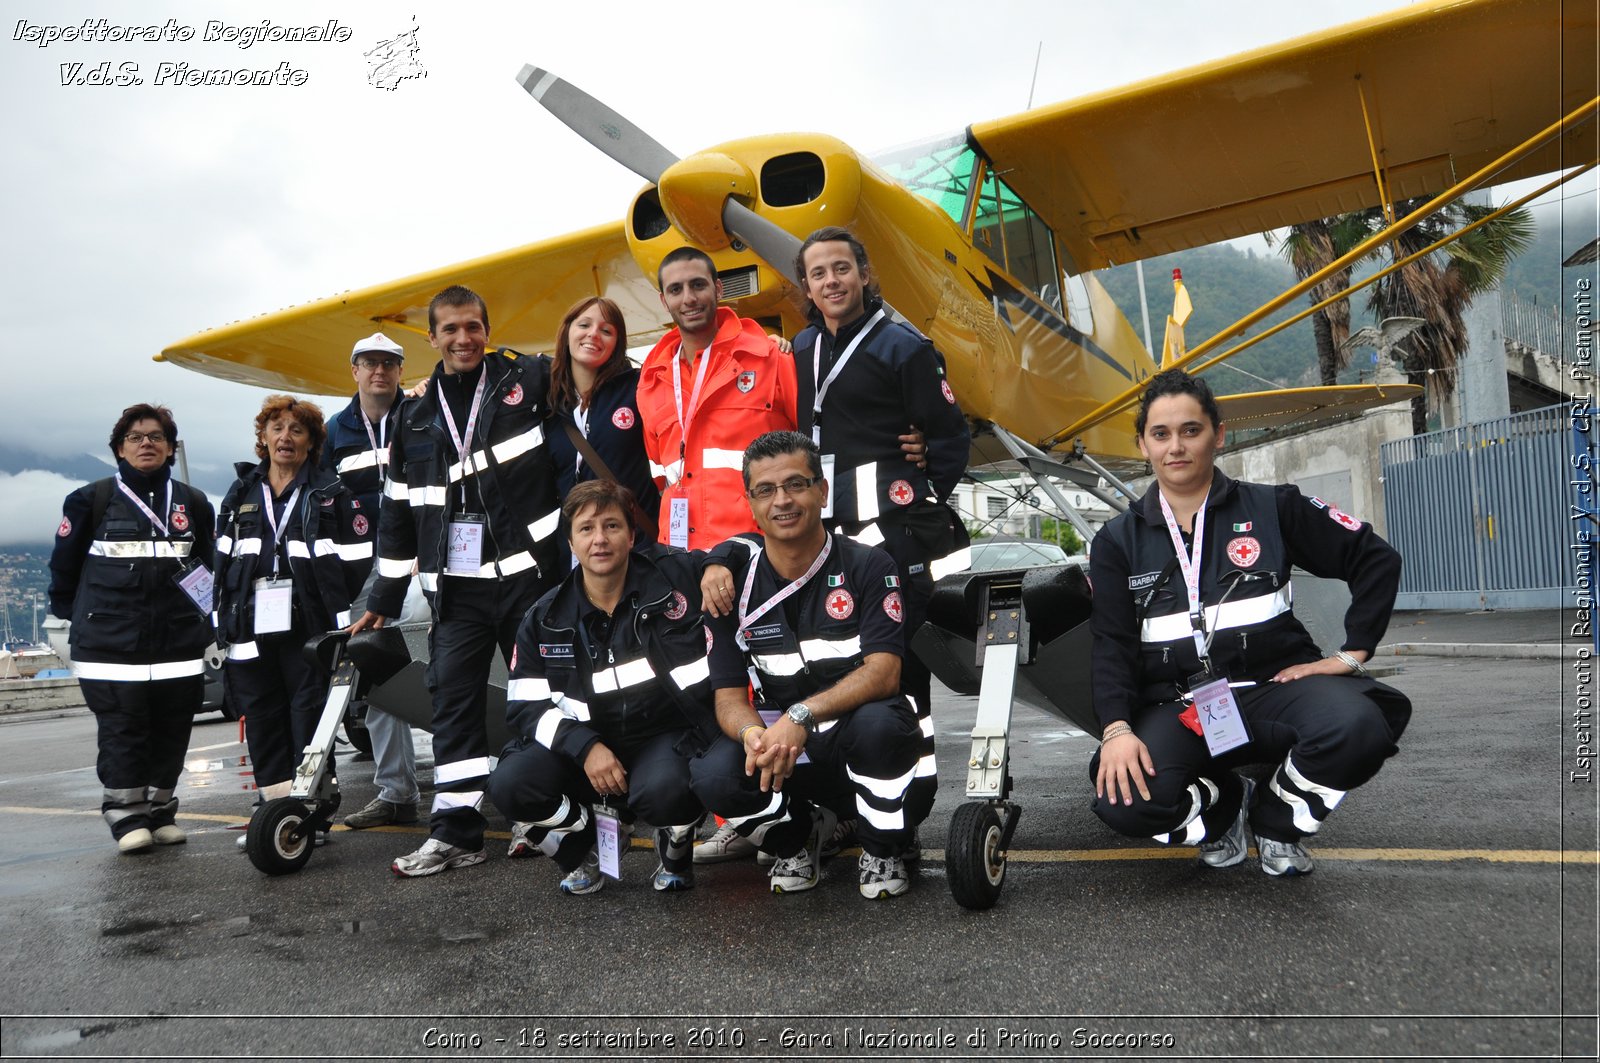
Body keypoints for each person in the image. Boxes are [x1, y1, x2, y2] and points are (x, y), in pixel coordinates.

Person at [698, 227, 965, 858]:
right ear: (807, 287)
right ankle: (831, 809)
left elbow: (949, 436)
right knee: (816, 672)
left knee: (899, 680)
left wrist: (921, 472)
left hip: (891, 541)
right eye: (818, 274)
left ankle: (907, 808)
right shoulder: (804, 346)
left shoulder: (906, 347)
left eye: (842, 269)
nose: (831, 282)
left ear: (866, 275)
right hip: (826, 541)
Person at [1088, 368, 1411, 876]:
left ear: (1218, 434)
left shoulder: (1274, 507)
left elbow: (1375, 558)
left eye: (1191, 430)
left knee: (1357, 728)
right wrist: (1116, 729)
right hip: (1181, 705)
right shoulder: (1115, 541)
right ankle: (1224, 811)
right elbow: (1110, 643)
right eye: (1161, 434)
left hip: (1273, 688)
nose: (1176, 446)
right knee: (1123, 799)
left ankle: (1279, 822)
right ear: (1143, 445)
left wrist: (1350, 655)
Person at [354, 285, 564, 878]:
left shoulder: (529, 380)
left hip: (530, 583)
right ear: (432, 338)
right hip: (458, 592)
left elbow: (600, 376)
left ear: (488, 329)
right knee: (453, 704)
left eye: (473, 327)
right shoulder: (414, 416)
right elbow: (396, 515)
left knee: (537, 700)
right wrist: (383, 599)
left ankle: (541, 814)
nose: (463, 339)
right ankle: (455, 833)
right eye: (450, 330)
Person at [690, 431, 921, 898]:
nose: (783, 501)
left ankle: (882, 847)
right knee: (713, 772)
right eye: (766, 490)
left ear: (822, 490)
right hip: (785, 753)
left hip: (862, 740)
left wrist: (801, 715)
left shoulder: (870, 566)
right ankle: (795, 840)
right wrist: (754, 735)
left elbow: (884, 672)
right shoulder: (730, 588)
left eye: (796, 484)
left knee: (880, 727)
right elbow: (730, 698)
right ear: (751, 504)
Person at [486, 480, 716, 894]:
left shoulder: (672, 586)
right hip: (584, 752)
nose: (599, 539)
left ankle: (676, 844)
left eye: (611, 526)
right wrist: (586, 747)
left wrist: (720, 565)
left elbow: (744, 552)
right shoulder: (544, 618)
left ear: (631, 536)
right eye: (586, 529)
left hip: (661, 742)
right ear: (571, 543)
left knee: (666, 792)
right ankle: (584, 846)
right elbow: (525, 708)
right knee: (510, 783)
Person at [48, 404, 216, 854]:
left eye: (157, 437)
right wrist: (80, 617)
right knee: (124, 728)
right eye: (136, 437)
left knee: (174, 725)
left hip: (178, 640)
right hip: (112, 642)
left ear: (169, 447)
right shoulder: (90, 500)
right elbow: (63, 570)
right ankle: (125, 816)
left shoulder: (193, 503)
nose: (147, 443)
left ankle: (160, 811)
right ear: (119, 448)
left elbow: (207, 567)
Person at [215, 396, 370, 820]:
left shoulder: (331, 493)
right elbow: (221, 564)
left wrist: (334, 612)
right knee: (262, 717)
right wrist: (223, 621)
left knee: (309, 716)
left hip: (309, 627)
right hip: (250, 627)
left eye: (296, 430)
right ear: (263, 438)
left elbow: (357, 564)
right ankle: (276, 809)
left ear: (311, 442)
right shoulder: (241, 494)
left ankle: (312, 808)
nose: (286, 437)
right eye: (277, 428)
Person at [636, 246, 799, 552]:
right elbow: (660, 469)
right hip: (682, 555)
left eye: (698, 285)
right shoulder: (652, 381)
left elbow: (815, 440)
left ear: (719, 288)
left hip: (760, 551)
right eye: (676, 289)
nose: (689, 298)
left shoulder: (770, 358)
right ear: (664, 301)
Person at [323, 332, 421, 830]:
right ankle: (395, 791)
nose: (379, 371)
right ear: (354, 370)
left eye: (389, 363)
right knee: (380, 677)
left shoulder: (422, 415)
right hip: (367, 581)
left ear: (401, 372)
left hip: (426, 570)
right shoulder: (334, 433)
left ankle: (493, 777)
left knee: (461, 669)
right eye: (369, 363)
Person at [546, 296, 660, 550]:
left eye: (606, 330)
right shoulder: (548, 402)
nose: (594, 334)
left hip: (637, 546)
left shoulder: (638, 387)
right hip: (578, 552)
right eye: (584, 325)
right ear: (567, 332)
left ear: (617, 343)